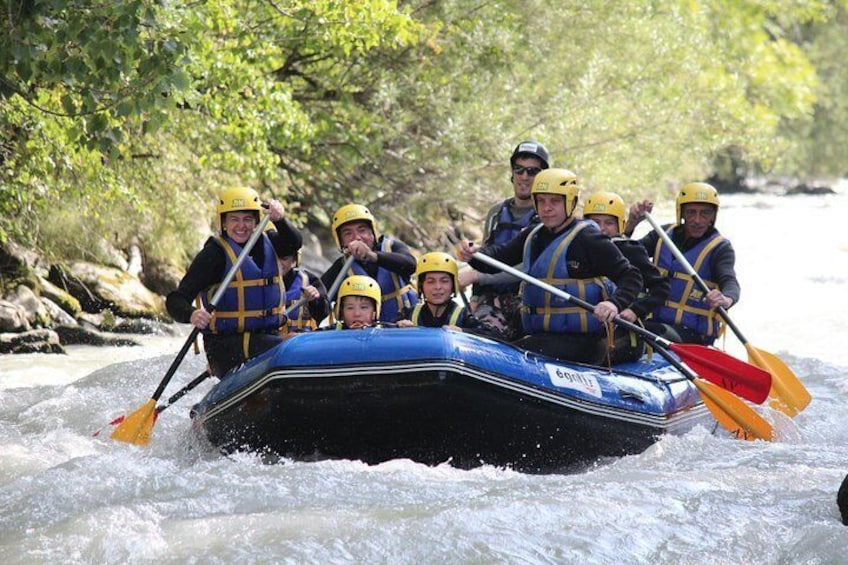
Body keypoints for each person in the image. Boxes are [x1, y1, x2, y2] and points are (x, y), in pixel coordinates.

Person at [457, 168, 643, 364]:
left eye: (554, 201)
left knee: (512, 357)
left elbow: (632, 276)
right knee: (498, 345)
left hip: (582, 342)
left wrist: (613, 303)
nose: (547, 208)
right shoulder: (533, 234)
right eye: (541, 201)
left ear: (570, 202)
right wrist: (474, 254)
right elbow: (498, 258)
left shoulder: (588, 239)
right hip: (542, 335)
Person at [166, 186, 301, 378]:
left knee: (299, 340)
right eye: (234, 219)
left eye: (247, 219)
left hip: (265, 337)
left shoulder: (268, 241)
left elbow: (293, 243)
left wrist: (280, 220)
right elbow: (175, 299)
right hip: (226, 346)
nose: (241, 226)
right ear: (223, 222)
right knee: (294, 344)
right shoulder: (214, 254)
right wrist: (192, 314)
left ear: (256, 221)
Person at [625, 182, 740, 345]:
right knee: (626, 330)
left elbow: (730, 281)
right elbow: (622, 257)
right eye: (691, 212)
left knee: (647, 332)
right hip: (652, 323)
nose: (697, 220)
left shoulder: (720, 248)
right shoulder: (662, 234)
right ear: (682, 212)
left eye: (705, 213)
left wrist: (726, 299)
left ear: (713, 215)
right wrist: (631, 224)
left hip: (692, 335)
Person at [458, 140, 550, 339]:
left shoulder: (547, 217)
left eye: (532, 171)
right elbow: (486, 256)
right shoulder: (496, 213)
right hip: (490, 300)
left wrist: (475, 276)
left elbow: (530, 269)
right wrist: (475, 297)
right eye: (519, 170)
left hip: (526, 302)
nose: (524, 177)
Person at [584, 190, 671, 363]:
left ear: (620, 225)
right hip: (590, 330)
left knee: (593, 354)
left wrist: (635, 310)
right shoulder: (580, 249)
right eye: (595, 222)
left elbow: (661, 288)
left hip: (626, 333)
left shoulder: (631, 250)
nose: (601, 229)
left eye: (608, 223)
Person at [320, 203, 417, 323]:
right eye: (348, 233)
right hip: (365, 336)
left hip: (403, 328)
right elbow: (319, 302)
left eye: (362, 230)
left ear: (373, 233)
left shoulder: (393, 248)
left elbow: (411, 265)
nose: (357, 237)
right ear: (341, 242)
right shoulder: (341, 267)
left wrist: (372, 256)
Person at [396, 252, 498, 335]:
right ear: (421, 286)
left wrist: (463, 331)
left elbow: (492, 334)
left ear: (453, 285)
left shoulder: (463, 317)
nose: (438, 287)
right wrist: (397, 327)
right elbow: (384, 329)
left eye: (444, 281)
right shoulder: (408, 314)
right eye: (431, 281)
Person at [268, 232, 330, 334]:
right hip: (269, 344)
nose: (278, 263)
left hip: (300, 342)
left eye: (284, 259)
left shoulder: (308, 280)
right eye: (274, 259)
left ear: (294, 259)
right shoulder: (257, 280)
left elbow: (324, 312)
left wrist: (315, 299)